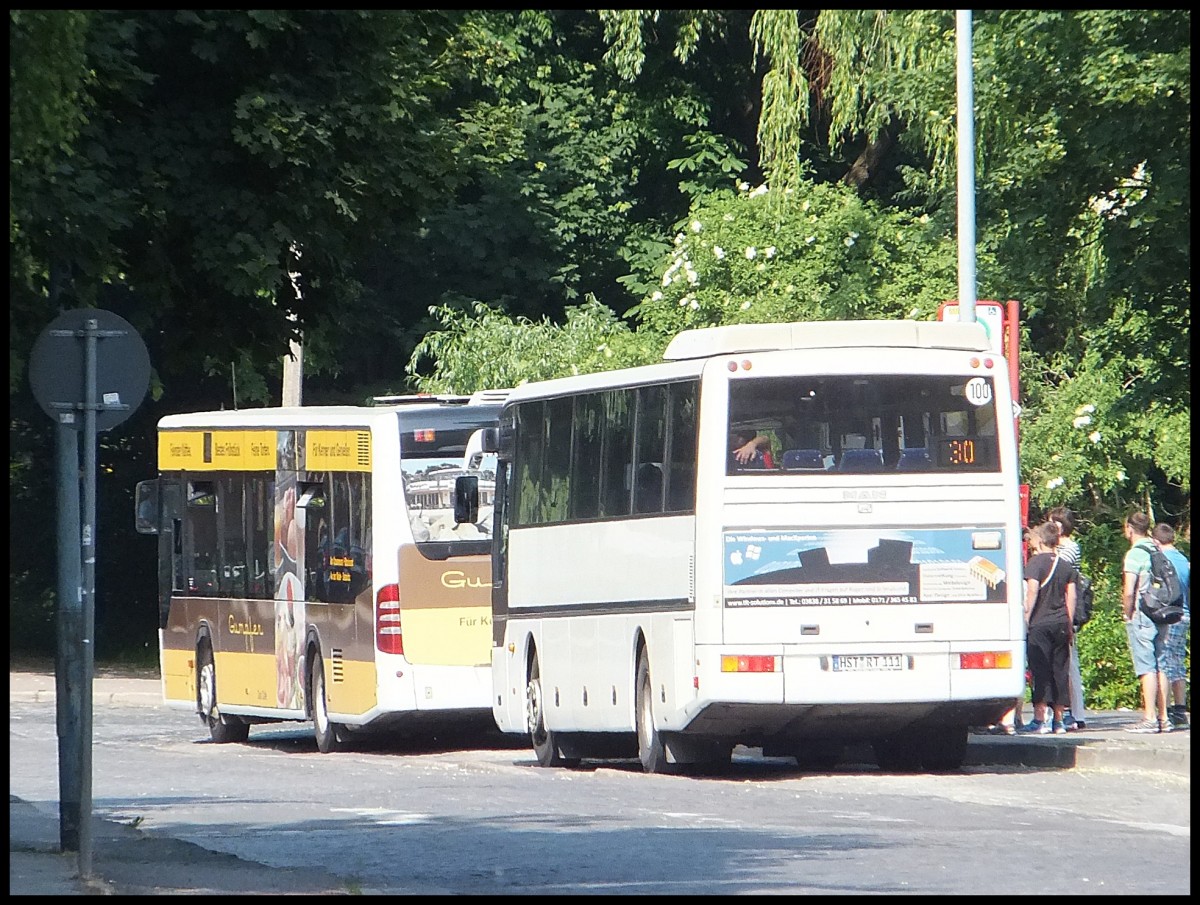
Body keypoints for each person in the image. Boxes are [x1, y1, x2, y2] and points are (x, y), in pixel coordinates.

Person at [1021, 521, 1077, 734]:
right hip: (1061, 623)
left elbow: (1032, 591)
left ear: (1041, 541)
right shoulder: (1066, 566)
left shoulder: (1035, 564)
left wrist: (1027, 616)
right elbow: (1072, 596)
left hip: (1040, 624)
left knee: (1040, 670)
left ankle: (1039, 718)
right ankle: (1059, 720)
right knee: (1060, 670)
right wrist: (1069, 622)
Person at [1122, 511, 1173, 733]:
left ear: (1129, 528)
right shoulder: (1157, 549)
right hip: (1163, 611)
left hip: (1143, 613)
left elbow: (1129, 591)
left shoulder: (1134, 554)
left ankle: (1150, 717)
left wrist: (1127, 613)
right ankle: (1164, 717)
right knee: (1162, 664)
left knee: (1146, 666)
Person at [1048, 506, 1089, 730]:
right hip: (1060, 608)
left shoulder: (1070, 548)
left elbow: (1056, 570)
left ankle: (1075, 712)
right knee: (1066, 662)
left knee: (1069, 663)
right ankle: (1072, 711)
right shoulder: (1063, 548)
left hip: (1066, 609)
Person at [1152, 522, 1190, 730]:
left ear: (1156, 541)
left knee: (1164, 662)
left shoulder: (1161, 560)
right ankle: (1180, 709)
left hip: (1170, 615)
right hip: (1185, 614)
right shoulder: (1183, 560)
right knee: (1178, 661)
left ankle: (1163, 711)